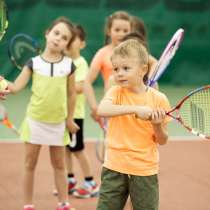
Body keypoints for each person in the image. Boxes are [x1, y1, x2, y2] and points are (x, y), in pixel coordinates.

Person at [5, 17, 79, 210]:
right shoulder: (33, 63)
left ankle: (63, 203)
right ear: (47, 33)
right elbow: (15, 87)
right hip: (35, 122)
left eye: (64, 38)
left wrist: (70, 119)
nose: (58, 39)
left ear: (66, 44)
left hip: (58, 124)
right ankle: (28, 204)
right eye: (56, 33)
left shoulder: (69, 65)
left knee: (59, 165)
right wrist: (2, 83)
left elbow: (72, 95)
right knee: (30, 163)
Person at [96, 39, 171, 210]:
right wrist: (136, 109)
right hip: (114, 166)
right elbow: (102, 109)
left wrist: (157, 125)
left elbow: (162, 140)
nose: (119, 73)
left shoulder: (159, 99)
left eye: (126, 68)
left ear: (143, 70)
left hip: (144, 170)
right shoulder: (115, 92)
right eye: (115, 69)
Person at [64, 24, 99, 198]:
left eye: (73, 39)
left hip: (75, 116)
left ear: (82, 44)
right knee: (65, 149)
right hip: (61, 116)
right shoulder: (62, 62)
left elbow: (79, 87)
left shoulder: (80, 63)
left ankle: (90, 182)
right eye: (67, 38)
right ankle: (70, 180)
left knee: (77, 149)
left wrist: (58, 84)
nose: (69, 42)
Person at [84, 11, 133, 124]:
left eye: (125, 31)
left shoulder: (135, 52)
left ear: (131, 32)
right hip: (111, 109)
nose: (121, 34)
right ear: (108, 31)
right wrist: (95, 108)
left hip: (132, 107)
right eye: (117, 30)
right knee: (112, 141)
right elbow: (87, 82)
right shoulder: (102, 53)